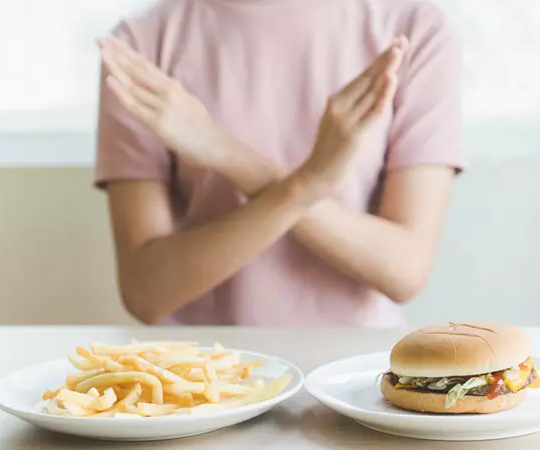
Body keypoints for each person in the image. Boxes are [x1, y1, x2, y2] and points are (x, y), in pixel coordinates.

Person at [94, 0, 463, 327]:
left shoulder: (415, 28)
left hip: (354, 376)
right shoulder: (140, 44)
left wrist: (226, 152)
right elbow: (146, 293)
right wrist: (305, 186)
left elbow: (405, 269)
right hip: (202, 380)